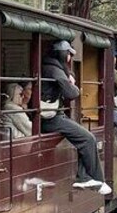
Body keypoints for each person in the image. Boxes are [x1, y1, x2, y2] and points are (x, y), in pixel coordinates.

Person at [40, 40, 111, 195]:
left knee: (83, 138)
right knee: (87, 138)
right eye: (69, 55)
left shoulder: (51, 67)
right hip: (50, 118)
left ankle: (87, 177)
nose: (70, 59)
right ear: (65, 55)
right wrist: (74, 86)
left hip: (51, 115)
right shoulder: (55, 70)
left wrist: (69, 77)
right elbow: (71, 94)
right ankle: (91, 179)